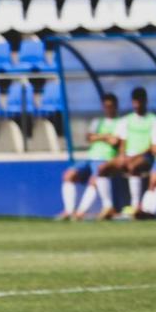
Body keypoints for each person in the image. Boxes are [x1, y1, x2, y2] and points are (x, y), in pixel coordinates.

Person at [57, 93, 120, 221]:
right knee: (68, 175)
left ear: (115, 106)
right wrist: (106, 136)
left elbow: (115, 141)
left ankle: (80, 213)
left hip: (106, 158)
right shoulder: (98, 122)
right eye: (105, 106)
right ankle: (69, 211)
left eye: (110, 106)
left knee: (94, 180)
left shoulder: (120, 123)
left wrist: (99, 137)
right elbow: (89, 137)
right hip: (90, 157)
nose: (108, 109)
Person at [112, 87, 156, 217]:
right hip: (128, 156)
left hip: (145, 156)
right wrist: (122, 155)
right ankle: (109, 206)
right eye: (135, 102)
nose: (137, 105)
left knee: (133, 166)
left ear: (145, 101)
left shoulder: (154, 120)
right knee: (103, 169)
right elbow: (122, 142)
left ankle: (135, 205)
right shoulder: (126, 120)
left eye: (140, 102)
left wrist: (135, 156)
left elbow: (153, 146)